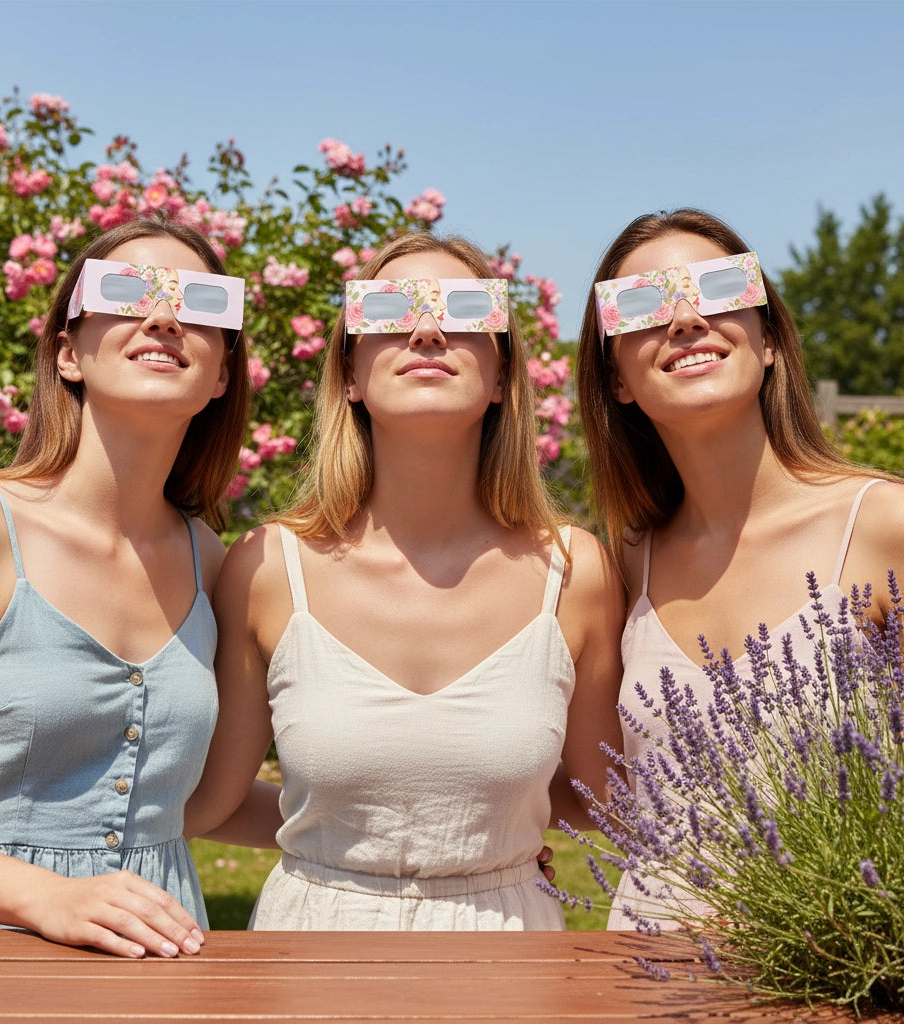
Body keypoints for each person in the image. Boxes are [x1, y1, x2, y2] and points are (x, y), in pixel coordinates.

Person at [185, 231, 625, 930]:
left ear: (503, 378)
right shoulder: (267, 568)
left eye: (462, 313)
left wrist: (495, 844)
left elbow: (605, 799)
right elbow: (208, 800)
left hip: (511, 961)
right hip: (310, 955)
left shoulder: (576, 574)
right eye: (389, 312)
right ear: (350, 375)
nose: (425, 330)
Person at [0, 219, 251, 957]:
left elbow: (202, 805)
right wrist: (45, 897)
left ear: (221, 374)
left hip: (165, 962)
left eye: (200, 304)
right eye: (124, 295)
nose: (161, 317)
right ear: (68, 354)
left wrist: (464, 835)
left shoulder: (216, 561)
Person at [574, 207, 904, 929]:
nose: (683, 318)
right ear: (617, 381)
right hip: (647, 977)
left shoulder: (893, 529)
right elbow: (592, 790)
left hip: (835, 983)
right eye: (641, 304)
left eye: (717, 290)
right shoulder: (626, 560)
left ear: (767, 341)